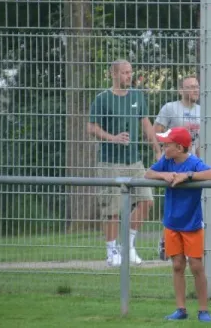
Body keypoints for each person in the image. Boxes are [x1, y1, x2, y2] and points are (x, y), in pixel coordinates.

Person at [87, 60, 162, 267]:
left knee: (147, 201)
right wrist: (113, 138)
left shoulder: (137, 96)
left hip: (135, 162)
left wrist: (157, 151)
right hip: (110, 162)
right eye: (124, 73)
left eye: (130, 72)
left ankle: (128, 247)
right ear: (113, 74)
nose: (129, 76)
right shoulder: (102, 98)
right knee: (112, 210)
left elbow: (146, 125)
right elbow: (91, 128)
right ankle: (112, 252)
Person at [144, 126, 211, 322]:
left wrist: (189, 176)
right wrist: (164, 176)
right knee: (177, 265)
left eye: (166, 144)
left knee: (196, 266)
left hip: (192, 224)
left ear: (179, 147)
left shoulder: (194, 162)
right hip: (171, 223)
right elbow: (148, 174)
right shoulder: (166, 161)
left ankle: (203, 310)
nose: (163, 146)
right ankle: (181, 309)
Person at [154, 76, 201, 155]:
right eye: (192, 87)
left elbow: (199, 142)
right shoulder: (170, 107)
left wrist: (200, 162)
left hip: (191, 161)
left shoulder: (201, 110)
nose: (196, 90)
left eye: (197, 87)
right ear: (181, 91)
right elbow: (155, 133)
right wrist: (159, 153)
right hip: (171, 159)